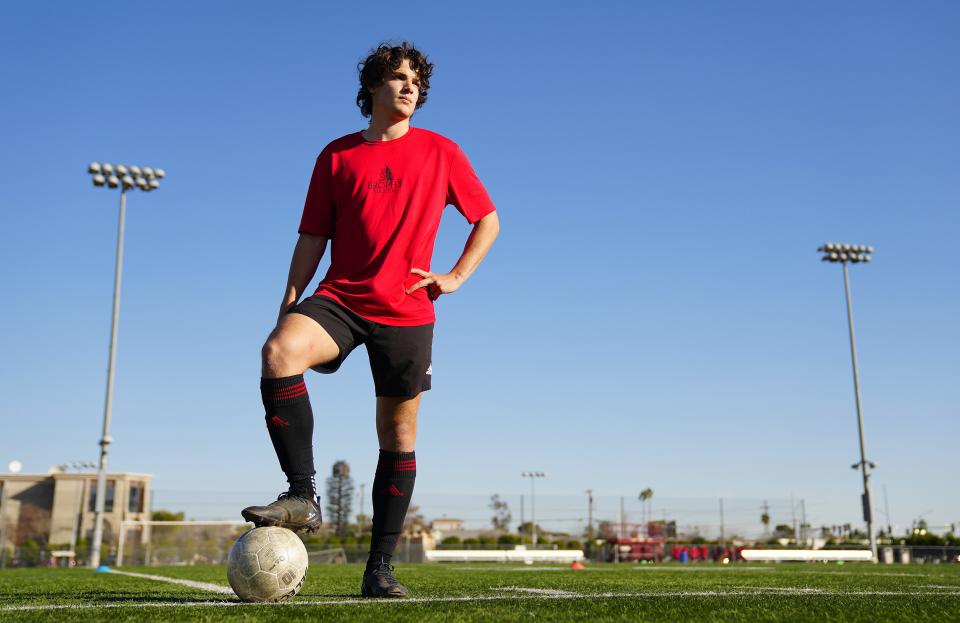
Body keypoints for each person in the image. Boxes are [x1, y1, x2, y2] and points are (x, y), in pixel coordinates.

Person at [240, 41, 499, 598]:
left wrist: (451, 278)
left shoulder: (442, 152)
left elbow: (488, 220)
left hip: (407, 310)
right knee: (278, 351)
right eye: (398, 78)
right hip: (342, 298)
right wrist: (291, 300)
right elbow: (313, 235)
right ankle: (302, 495)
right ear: (373, 88)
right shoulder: (335, 156)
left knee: (397, 435)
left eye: (417, 82)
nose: (410, 88)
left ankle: (379, 569)